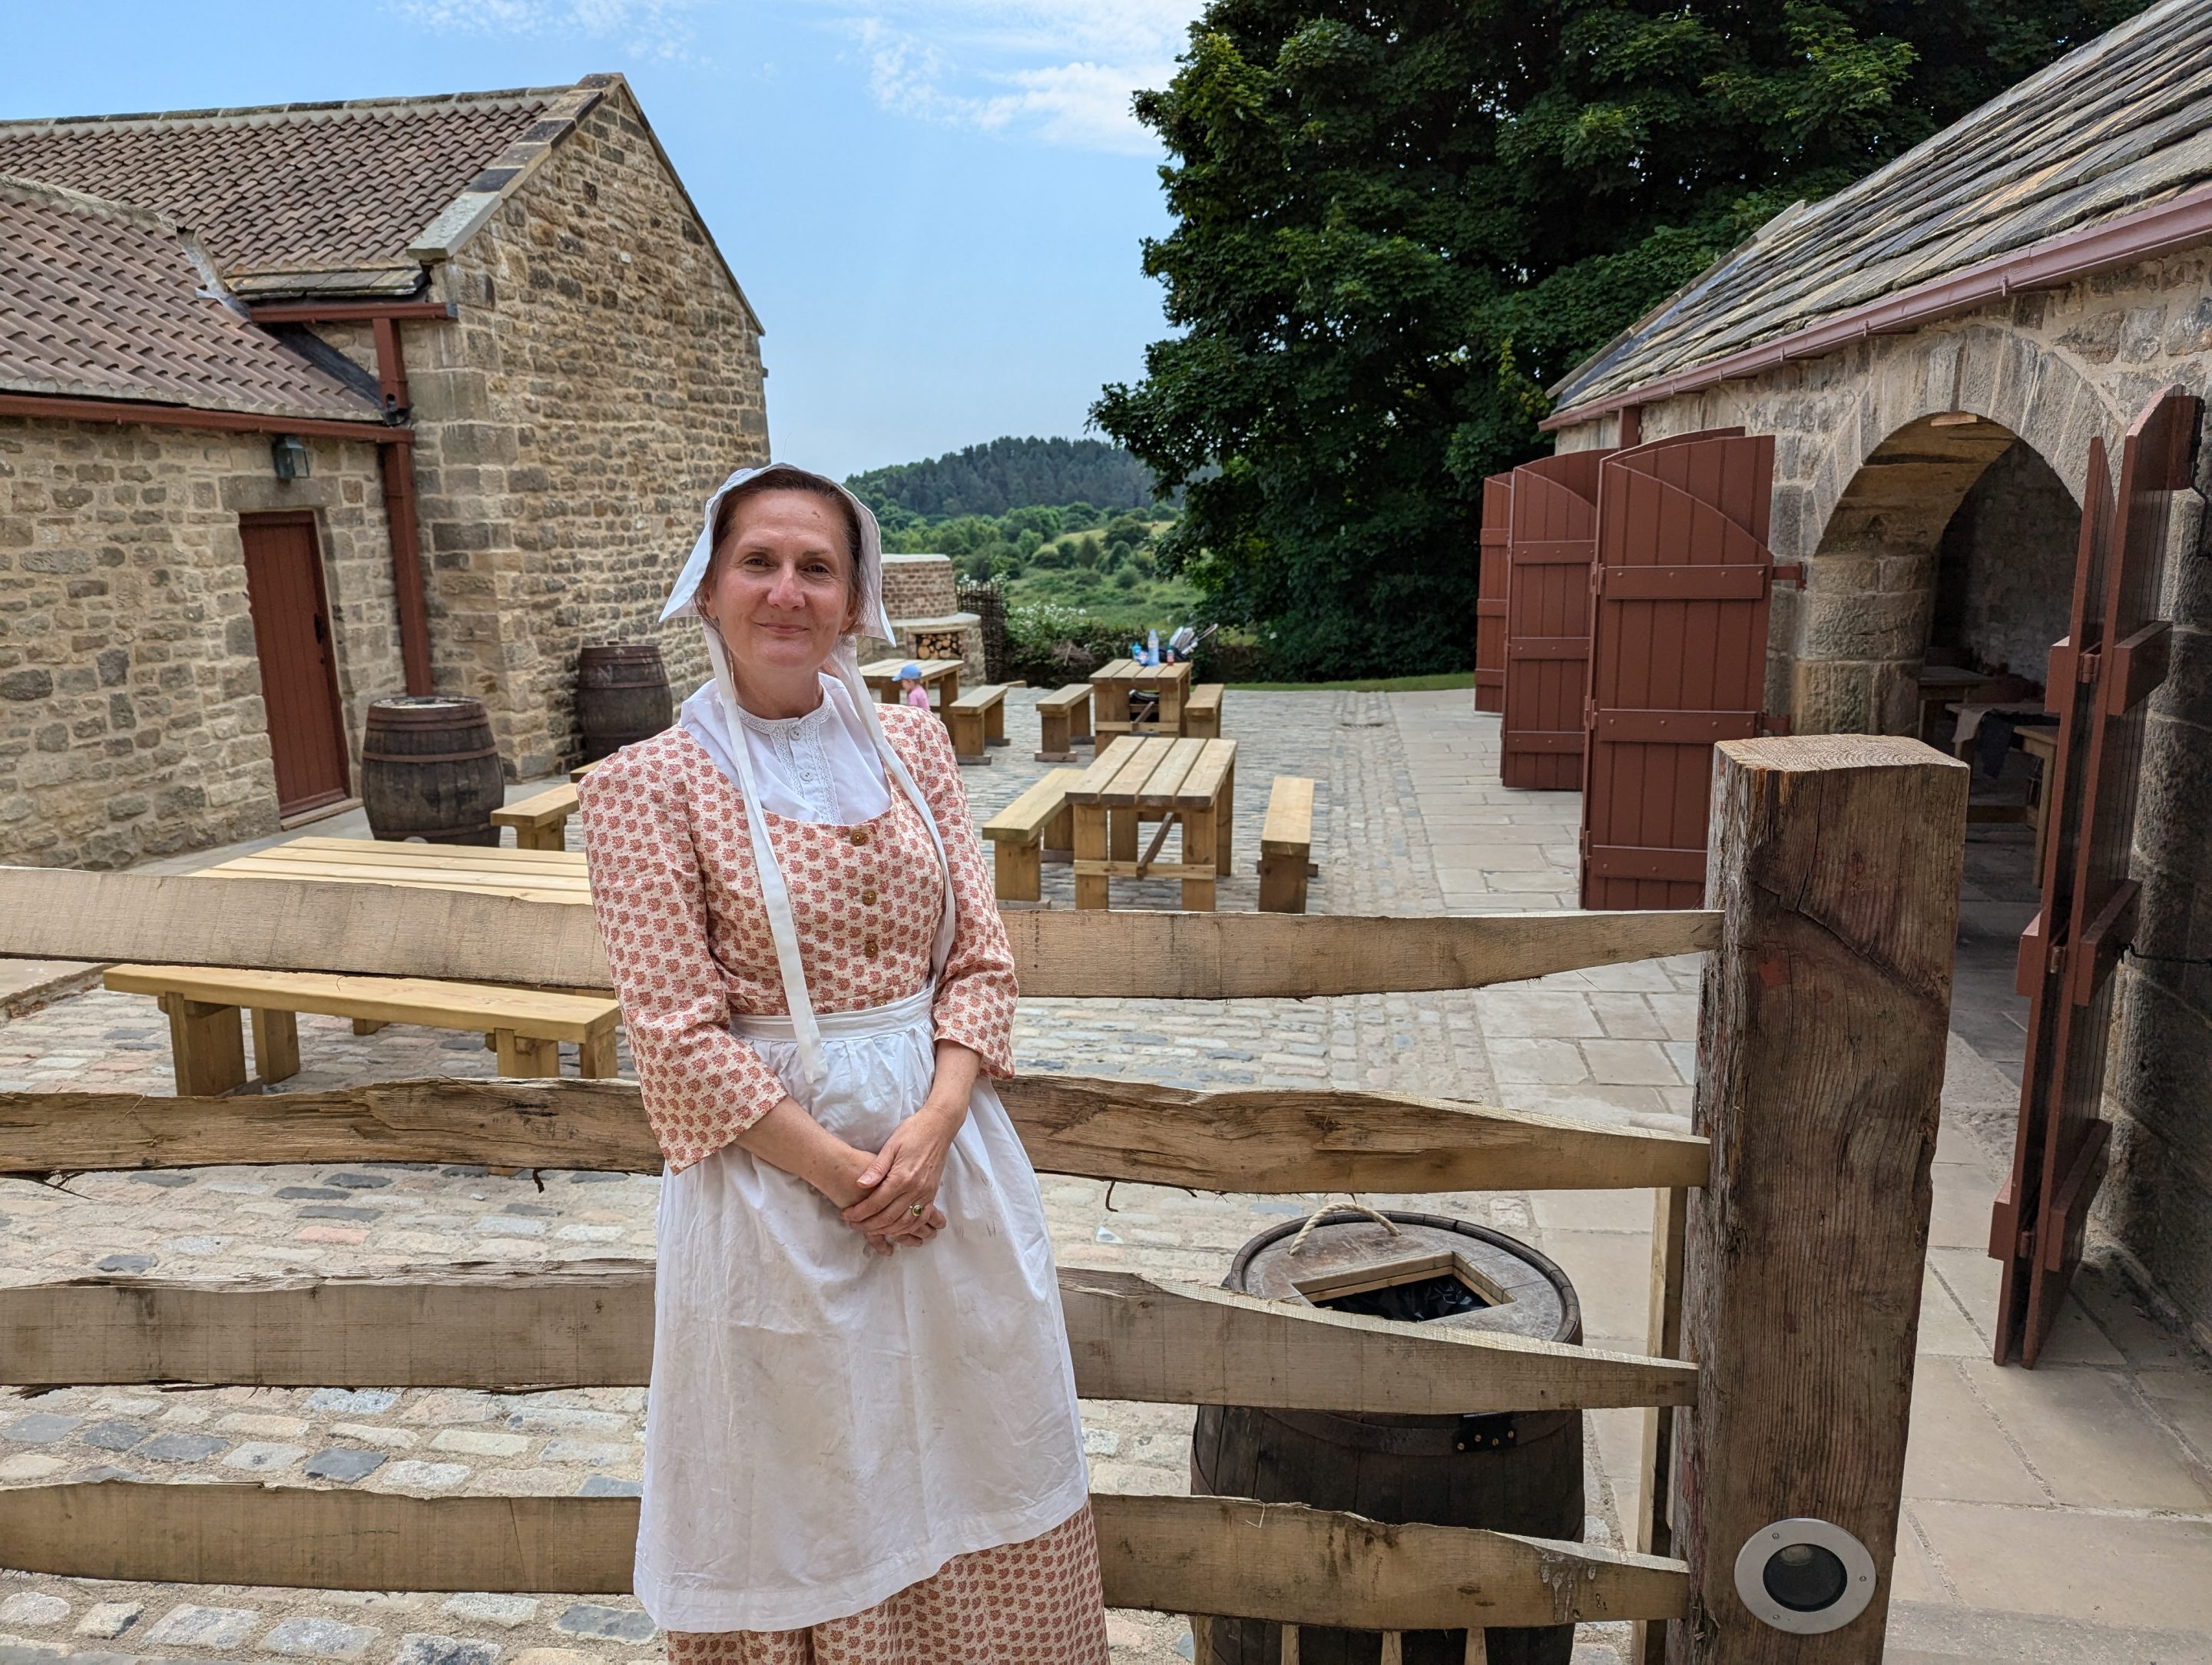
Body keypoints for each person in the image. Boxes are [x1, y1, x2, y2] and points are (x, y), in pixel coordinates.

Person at [578, 462, 1105, 1663]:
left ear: (855, 599)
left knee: (978, 1442)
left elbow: (980, 958)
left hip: (949, 1170)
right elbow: (674, 1036)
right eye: (758, 562)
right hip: (774, 1193)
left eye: (817, 567)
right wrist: (847, 1177)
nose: (787, 591)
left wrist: (936, 1126)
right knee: (814, 1473)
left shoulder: (913, 747)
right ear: (707, 589)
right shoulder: (646, 787)